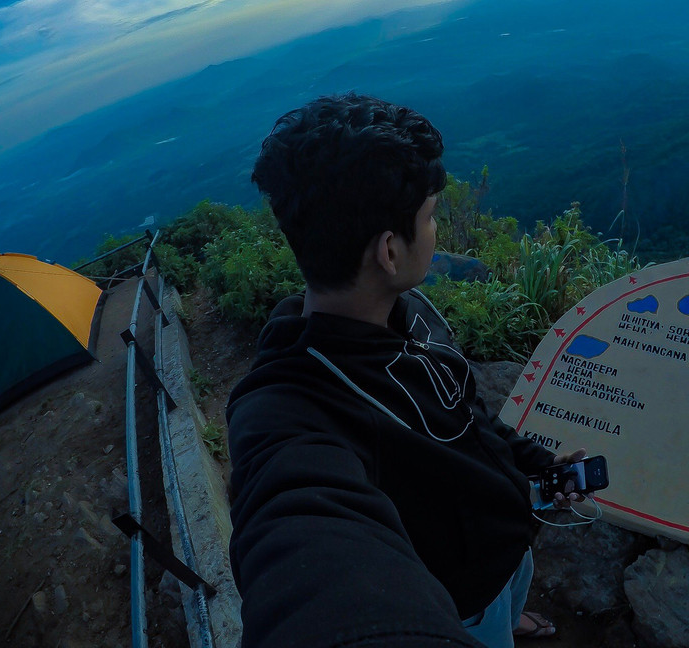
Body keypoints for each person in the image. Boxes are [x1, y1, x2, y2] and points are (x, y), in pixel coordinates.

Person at [227, 94, 585, 648]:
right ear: (390, 251)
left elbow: (463, 414)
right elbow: (301, 538)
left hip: (505, 552)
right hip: (462, 602)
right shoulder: (290, 410)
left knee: (510, 597)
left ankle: (511, 614)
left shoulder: (408, 311)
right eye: (433, 216)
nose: (437, 231)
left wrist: (537, 465)